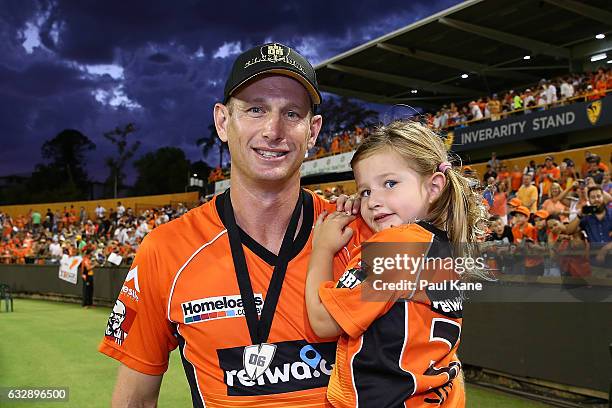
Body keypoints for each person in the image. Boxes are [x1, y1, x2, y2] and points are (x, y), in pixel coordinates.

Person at [98, 42, 363, 407]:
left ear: (313, 131)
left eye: (292, 114)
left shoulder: (359, 233)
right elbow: (135, 401)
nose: (273, 130)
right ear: (223, 121)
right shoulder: (166, 248)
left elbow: (425, 356)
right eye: (255, 110)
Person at [305, 120, 486, 407]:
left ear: (434, 186)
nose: (374, 201)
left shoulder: (396, 246)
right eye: (365, 191)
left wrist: (322, 249)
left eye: (390, 183)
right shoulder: (440, 247)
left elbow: (323, 322)